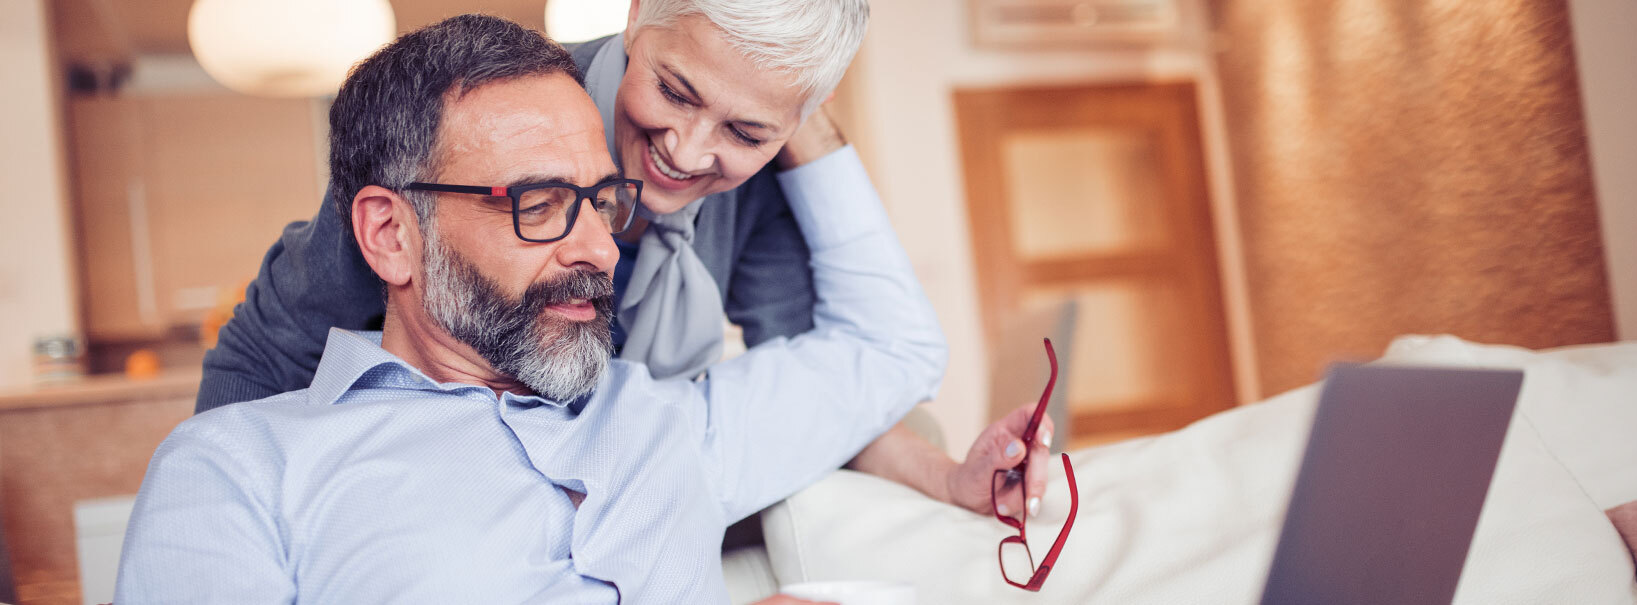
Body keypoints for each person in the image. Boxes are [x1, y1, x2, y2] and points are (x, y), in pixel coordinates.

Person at [117, 16, 941, 602]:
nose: (602, 250)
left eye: (605, 201)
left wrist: (793, 110)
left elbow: (888, 346)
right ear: (390, 235)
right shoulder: (241, 469)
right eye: (540, 203)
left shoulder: (666, 424)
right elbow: (266, 349)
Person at [199, 0, 1056, 517]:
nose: (687, 149)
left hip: (628, 500)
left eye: (748, 128)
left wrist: (948, 478)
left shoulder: (759, 187)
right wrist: (242, 513)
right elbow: (265, 356)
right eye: (676, 91)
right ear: (638, 16)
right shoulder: (489, 121)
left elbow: (832, 383)